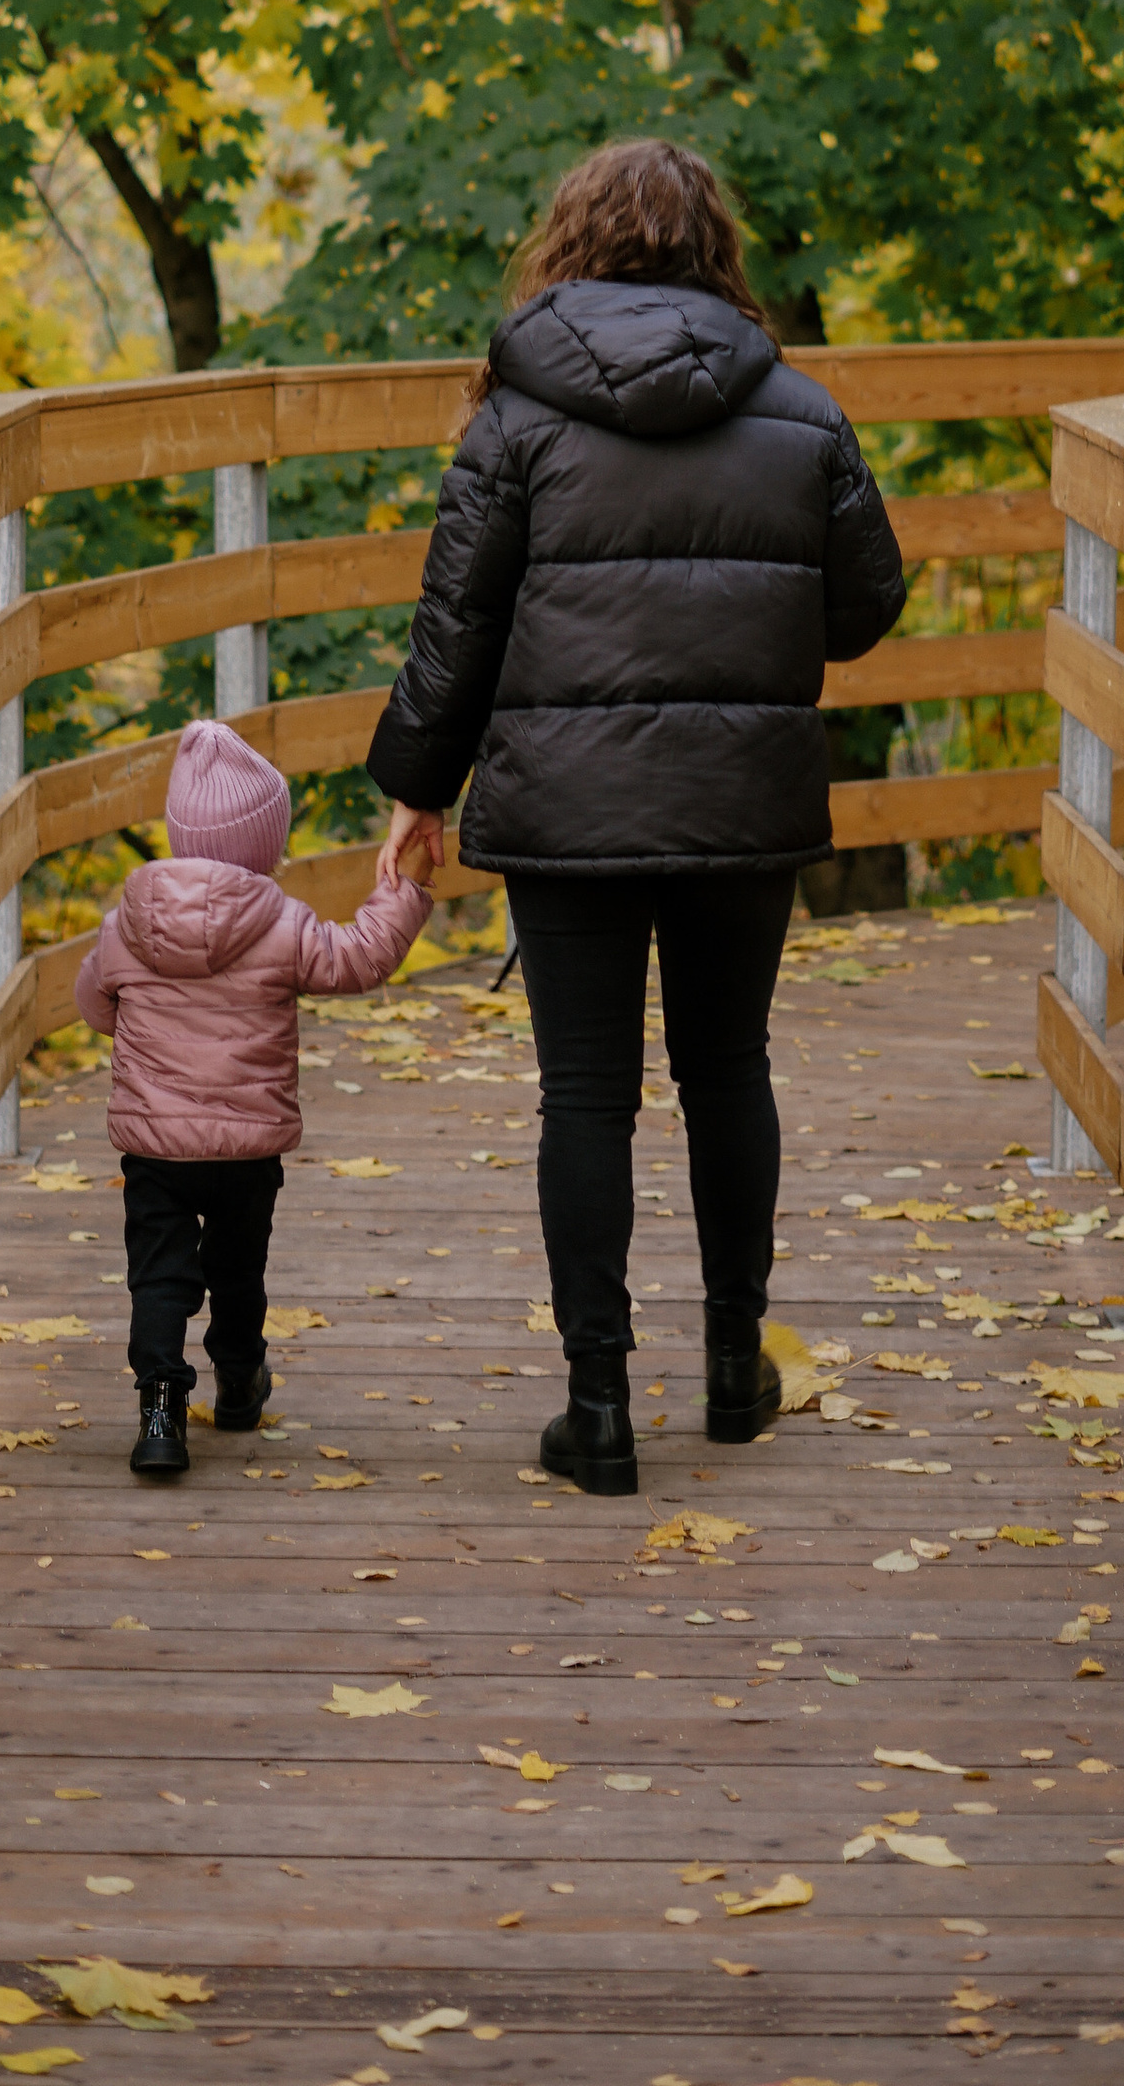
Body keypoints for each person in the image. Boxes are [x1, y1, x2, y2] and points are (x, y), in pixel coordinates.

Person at [366, 138, 906, 1497]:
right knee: (728, 1068)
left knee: (586, 1095)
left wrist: (417, 786)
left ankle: (598, 1408)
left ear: (571, 244)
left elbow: (456, 628)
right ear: (716, 249)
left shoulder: (515, 419)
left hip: (567, 805)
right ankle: (732, 1369)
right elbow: (865, 606)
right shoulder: (801, 412)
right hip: (741, 794)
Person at [75, 716, 434, 1480]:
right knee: (238, 1271)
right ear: (265, 845)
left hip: (156, 1148)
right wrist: (404, 891)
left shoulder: (127, 925)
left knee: (159, 1275)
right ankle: (239, 1384)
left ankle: (160, 1413)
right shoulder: (281, 924)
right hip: (245, 1149)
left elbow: (94, 1002)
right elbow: (359, 959)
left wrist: (143, 1044)